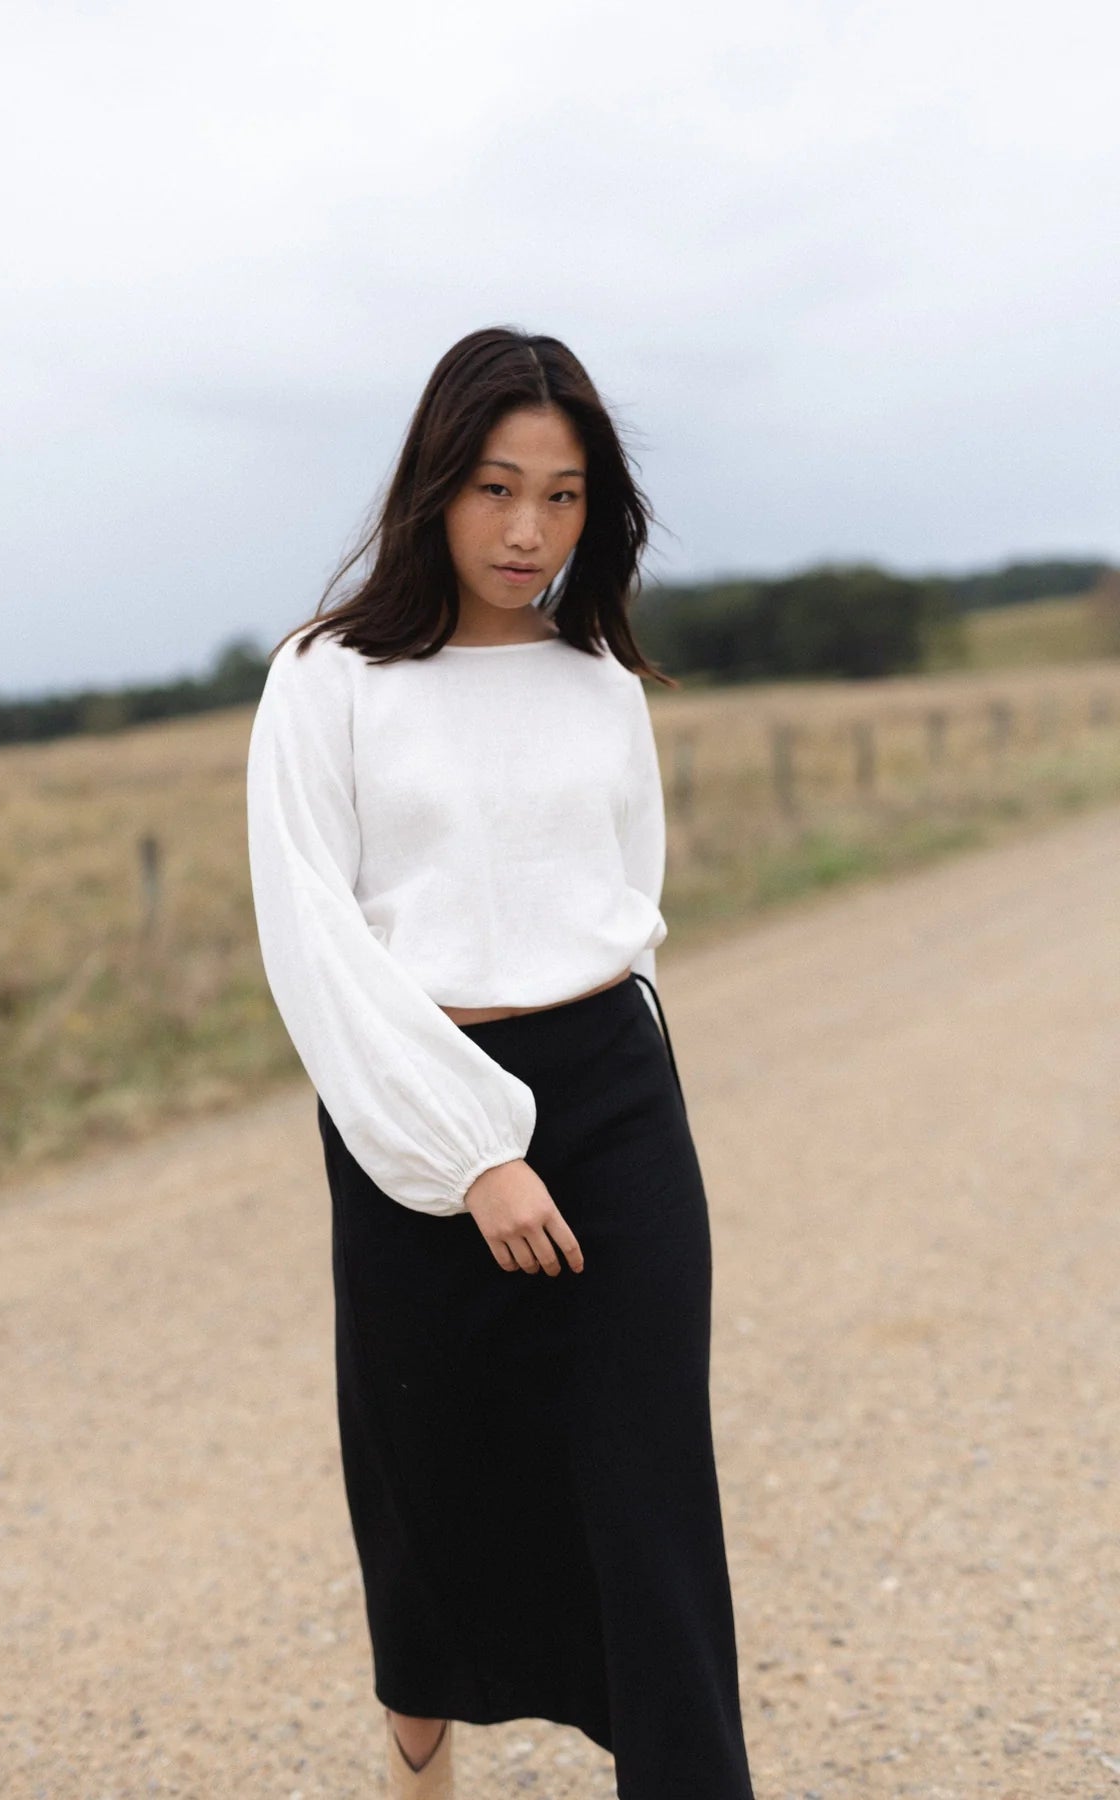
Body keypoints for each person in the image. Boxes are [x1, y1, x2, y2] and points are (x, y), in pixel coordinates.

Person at [245, 325, 757, 1800]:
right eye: (497, 488)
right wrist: (472, 1148)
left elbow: (628, 904)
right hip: (408, 1105)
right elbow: (315, 941)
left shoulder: (600, 679)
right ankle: (422, 1758)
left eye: (564, 495)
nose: (530, 530)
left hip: (615, 1097)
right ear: (435, 485)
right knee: (432, 1479)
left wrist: (612, 1081)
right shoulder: (327, 678)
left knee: (651, 1494)